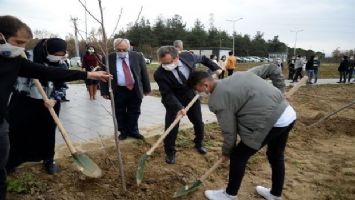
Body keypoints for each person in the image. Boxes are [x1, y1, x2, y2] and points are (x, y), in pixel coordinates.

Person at [0, 15, 111, 200]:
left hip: (3, 122)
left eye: (23, 44)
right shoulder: (21, 57)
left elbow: (51, 72)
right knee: (18, 133)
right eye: (17, 42)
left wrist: (87, 75)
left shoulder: (15, 60)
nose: (20, 48)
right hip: (23, 104)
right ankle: (13, 162)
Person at [187, 71, 296, 200]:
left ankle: (229, 195)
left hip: (270, 122)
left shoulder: (217, 99)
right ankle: (275, 194)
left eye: (197, 89)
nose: (198, 92)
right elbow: (270, 68)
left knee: (238, 156)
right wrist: (281, 90)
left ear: (205, 84)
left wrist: (227, 152)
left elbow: (229, 131)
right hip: (287, 113)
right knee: (276, 155)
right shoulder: (239, 75)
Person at [6, 38, 72, 175]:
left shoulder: (62, 64)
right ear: (46, 50)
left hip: (49, 103)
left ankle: (48, 160)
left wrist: (54, 99)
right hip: (24, 100)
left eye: (61, 55)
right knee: (17, 130)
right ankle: (13, 161)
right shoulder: (26, 57)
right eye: (56, 54)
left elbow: (63, 84)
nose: (58, 57)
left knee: (47, 132)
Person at [154, 46, 221, 164]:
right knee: (171, 127)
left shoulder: (187, 57)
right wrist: (179, 107)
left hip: (191, 96)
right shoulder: (159, 74)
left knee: (198, 122)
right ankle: (170, 152)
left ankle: (199, 143)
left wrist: (215, 68)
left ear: (176, 58)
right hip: (173, 100)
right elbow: (167, 94)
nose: (165, 66)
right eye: (162, 63)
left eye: (168, 63)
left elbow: (204, 59)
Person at [100, 38, 151, 140]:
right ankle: (123, 131)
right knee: (119, 111)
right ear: (114, 48)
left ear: (129, 47)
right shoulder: (108, 58)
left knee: (135, 111)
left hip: (134, 89)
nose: (121, 52)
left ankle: (133, 131)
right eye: (118, 50)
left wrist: (147, 88)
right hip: (118, 90)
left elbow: (144, 73)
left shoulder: (137, 56)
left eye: (124, 49)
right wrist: (104, 91)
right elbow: (103, 75)